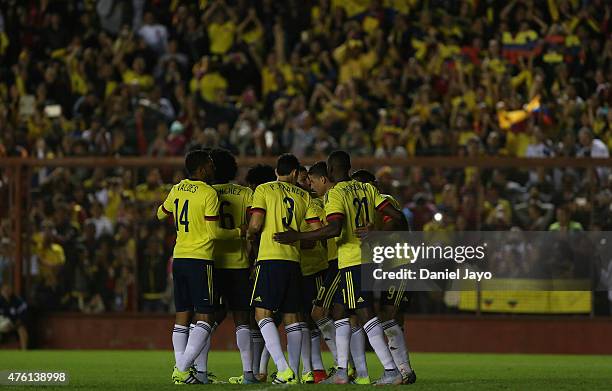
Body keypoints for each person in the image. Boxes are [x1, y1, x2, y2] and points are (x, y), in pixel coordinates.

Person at [274, 150, 407, 385]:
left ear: (331, 170)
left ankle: (390, 370)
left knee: (364, 313)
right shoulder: (368, 189)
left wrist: (298, 235)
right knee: (341, 313)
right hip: (367, 258)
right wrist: (375, 234)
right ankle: (342, 372)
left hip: (351, 259)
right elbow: (398, 217)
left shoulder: (336, 194)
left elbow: (334, 229)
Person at [157, 149, 244, 384]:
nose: (213, 169)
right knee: (206, 316)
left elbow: (159, 213)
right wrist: (240, 232)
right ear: (202, 168)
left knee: (182, 316)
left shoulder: (177, 188)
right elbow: (214, 232)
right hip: (200, 259)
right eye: (210, 165)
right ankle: (183, 370)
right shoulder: (208, 193)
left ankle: (183, 371)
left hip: (179, 257)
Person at [246, 154, 322, 384]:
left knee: (262, 314)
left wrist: (250, 234)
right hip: (294, 263)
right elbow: (314, 234)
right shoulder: (304, 196)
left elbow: (256, 223)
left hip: (270, 259)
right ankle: (295, 374)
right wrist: (297, 239)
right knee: (293, 318)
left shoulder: (264, 189)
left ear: (278, 171)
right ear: (293, 173)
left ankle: (282, 368)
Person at [350, 169, 416, 384]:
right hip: (389, 266)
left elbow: (395, 222)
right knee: (392, 317)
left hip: (401, 264)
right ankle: (401, 369)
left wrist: (373, 234)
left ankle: (403, 370)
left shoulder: (385, 201)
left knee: (388, 315)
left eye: (363, 185)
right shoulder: (367, 208)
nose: (360, 190)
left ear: (374, 185)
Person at [208, 148, 259, 384]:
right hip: (239, 263)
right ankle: (248, 372)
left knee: (206, 318)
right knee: (242, 319)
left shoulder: (206, 192)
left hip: (213, 263)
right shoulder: (245, 192)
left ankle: (198, 369)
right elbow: (253, 228)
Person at [296, 166, 330, 383]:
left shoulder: (316, 205)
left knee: (319, 317)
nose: (304, 183)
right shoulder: (293, 203)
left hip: (316, 268)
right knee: (302, 321)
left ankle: (342, 365)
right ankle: (312, 370)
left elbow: (317, 238)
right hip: (297, 269)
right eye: (301, 179)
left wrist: (293, 240)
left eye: (306, 180)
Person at [0, 284, 28, 350]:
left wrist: (17, 322)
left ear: (11, 290)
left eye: (8, 290)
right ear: (1, 291)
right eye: (4, 290)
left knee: (21, 328)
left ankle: (24, 350)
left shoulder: (17, 300)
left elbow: (23, 313)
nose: (6, 292)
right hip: (2, 322)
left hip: (14, 323)